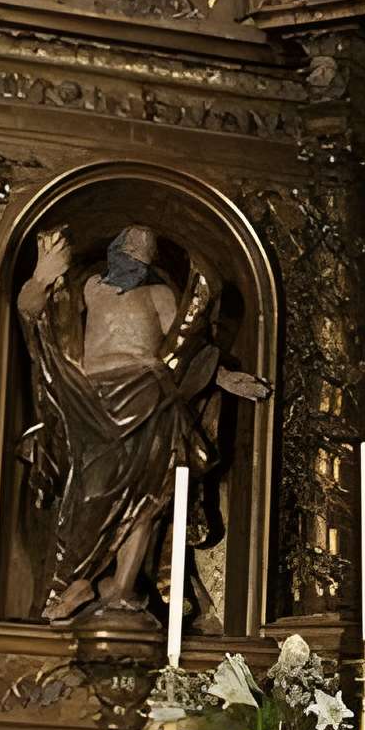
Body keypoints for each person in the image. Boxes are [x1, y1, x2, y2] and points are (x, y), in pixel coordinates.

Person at [17, 222, 255, 624]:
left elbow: (187, 347)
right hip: (90, 404)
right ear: (114, 252)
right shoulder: (89, 289)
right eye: (130, 254)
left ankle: (123, 586)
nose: (135, 263)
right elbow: (33, 312)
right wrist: (42, 276)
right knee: (87, 492)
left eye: (144, 258)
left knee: (148, 500)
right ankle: (78, 582)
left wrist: (226, 377)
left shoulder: (161, 295)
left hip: (148, 401)